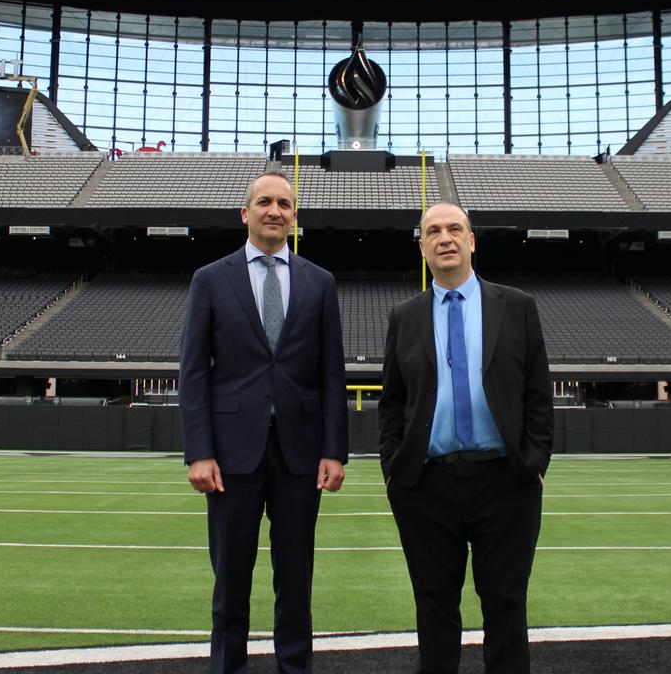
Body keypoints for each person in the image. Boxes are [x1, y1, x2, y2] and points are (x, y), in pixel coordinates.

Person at [180, 171, 348, 674]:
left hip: (300, 452)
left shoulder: (320, 282)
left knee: (295, 580)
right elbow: (193, 372)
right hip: (231, 455)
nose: (275, 210)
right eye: (265, 202)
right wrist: (199, 450)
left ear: (294, 216)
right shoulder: (211, 279)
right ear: (245, 213)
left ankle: (294, 668)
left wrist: (334, 450)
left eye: (285, 203)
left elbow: (330, 373)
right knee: (230, 581)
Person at [379, 201, 553, 674]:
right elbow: (392, 401)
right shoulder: (404, 316)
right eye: (433, 231)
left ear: (472, 240)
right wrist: (393, 468)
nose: (445, 238)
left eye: (455, 228)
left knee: (506, 605)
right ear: (422, 246)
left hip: (505, 479)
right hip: (426, 484)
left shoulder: (516, 306)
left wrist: (535, 461)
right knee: (434, 605)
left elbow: (538, 392)